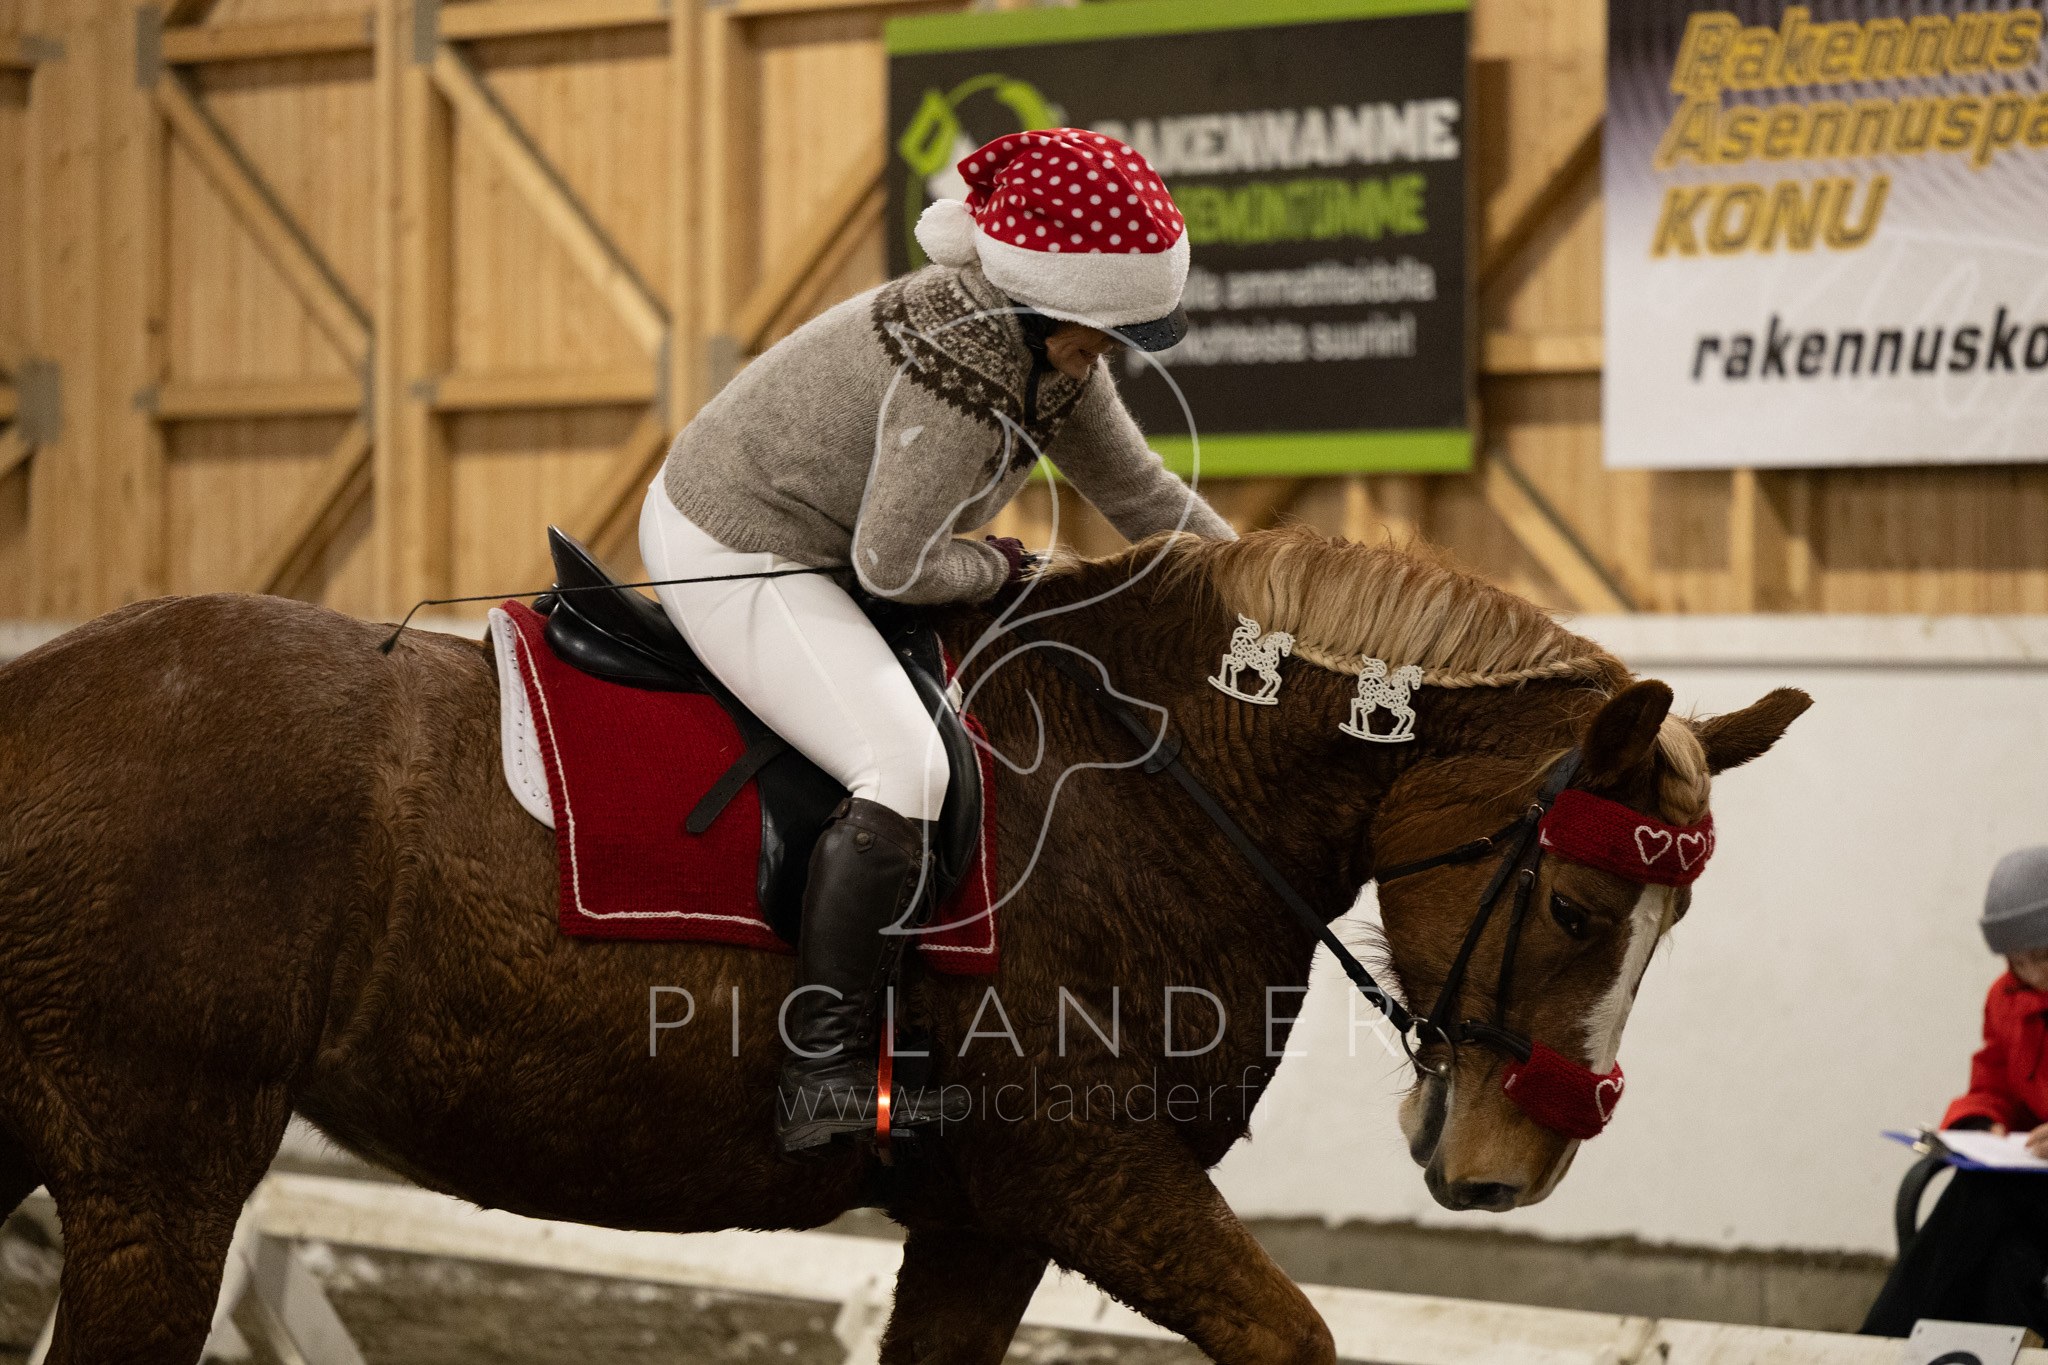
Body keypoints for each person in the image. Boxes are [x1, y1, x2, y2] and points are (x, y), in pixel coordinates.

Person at [639, 129, 1235, 1155]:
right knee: (904, 766)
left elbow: (1141, 494)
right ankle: (821, 1072)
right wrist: (1004, 568)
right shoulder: (960, 369)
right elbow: (893, 566)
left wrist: (1265, 584)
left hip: (836, 545)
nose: (1112, 354)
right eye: (1103, 334)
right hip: (738, 544)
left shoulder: (1051, 350)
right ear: (1045, 301)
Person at [1865, 846, 2048, 1337]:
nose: (2033, 974)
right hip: (2035, 1193)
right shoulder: (2008, 997)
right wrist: (1980, 1123)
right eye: (2019, 961)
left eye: (2043, 956)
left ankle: (1879, 1343)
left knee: (1980, 1194)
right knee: (2007, 1263)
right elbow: (1994, 1080)